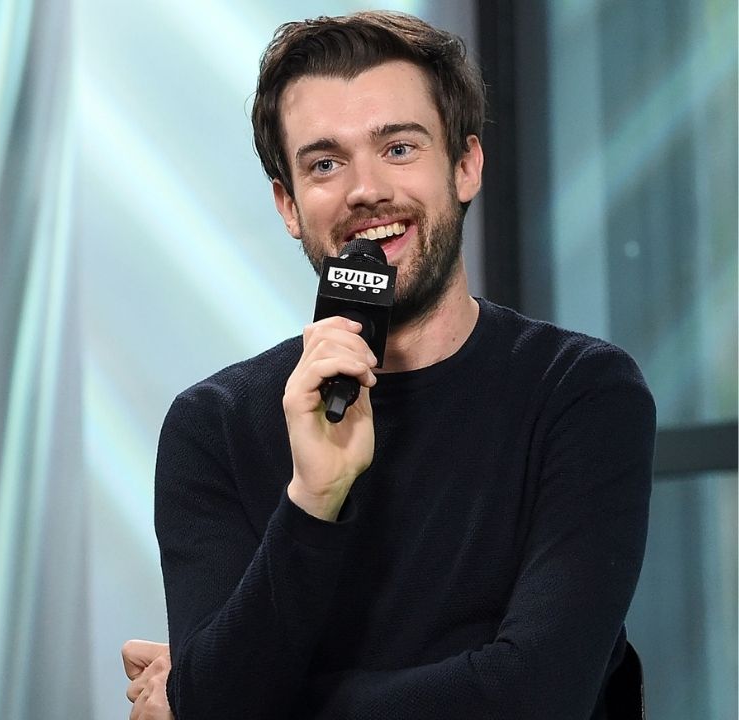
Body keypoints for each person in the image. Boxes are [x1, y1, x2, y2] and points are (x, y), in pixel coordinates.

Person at [123, 10, 654, 720]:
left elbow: (534, 696)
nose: (365, 189)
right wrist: (313, 500)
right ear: (288, 205)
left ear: (465, 165)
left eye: (398, 148)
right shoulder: (212, 427)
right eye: (324, 164)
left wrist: (206, 697)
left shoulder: (581, 394)